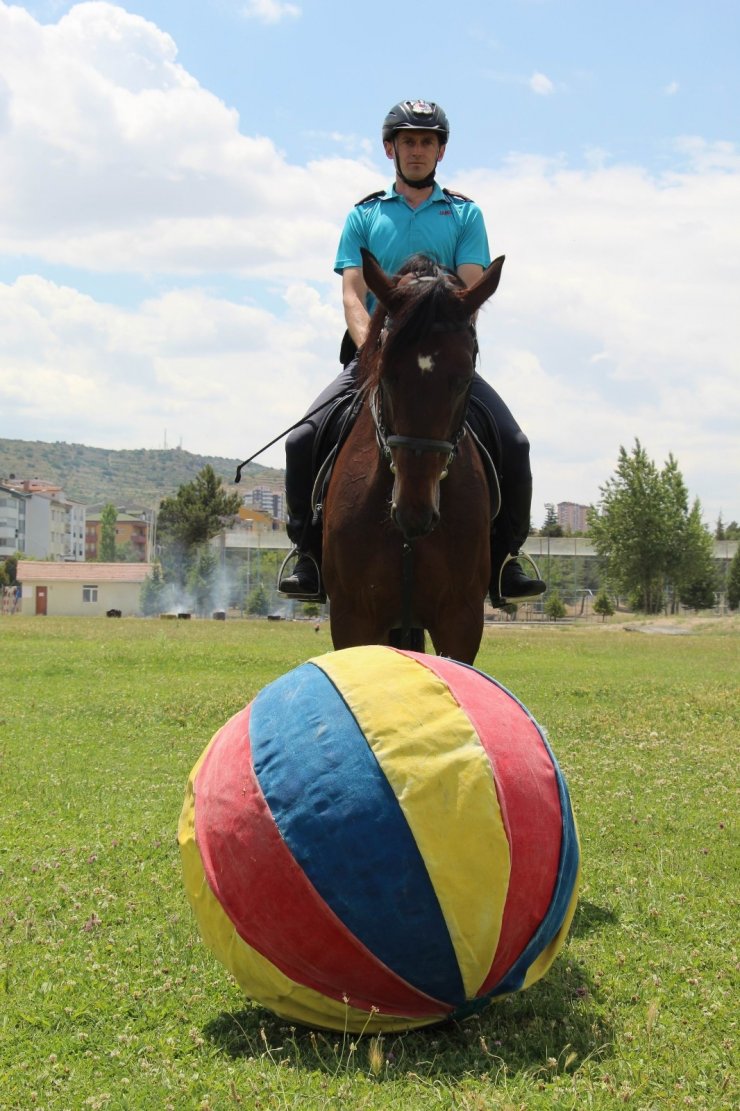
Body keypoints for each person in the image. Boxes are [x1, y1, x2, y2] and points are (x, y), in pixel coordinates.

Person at [279, 99, 545, 607]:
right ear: (390, 149)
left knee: (514, 443)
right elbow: (353, 294)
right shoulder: (365, 215)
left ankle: (507, 560)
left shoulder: (464, 214)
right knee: (302, 440)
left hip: (443, 362)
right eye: (408, 141)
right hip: (377, 357)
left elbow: (471, 287)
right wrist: (373, 351)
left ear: (440, 151)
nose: (417, 151)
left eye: (426, 142)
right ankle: (308, 556)